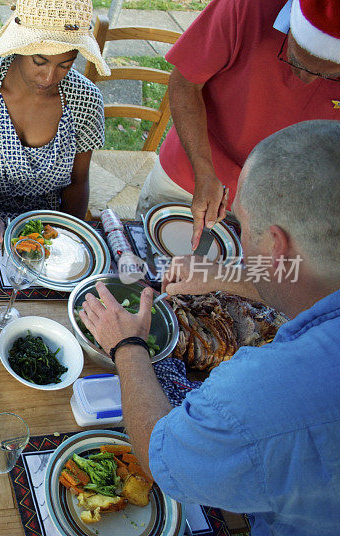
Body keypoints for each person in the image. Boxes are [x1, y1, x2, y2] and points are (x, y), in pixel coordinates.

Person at [80, 120, 340, 535]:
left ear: (274, 243)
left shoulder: (267, 388)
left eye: (244, 227)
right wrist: (223, 275)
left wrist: (128, 344)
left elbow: (162, 457)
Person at [135, 0, 340, 251]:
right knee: (146, 269)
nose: (305, 78)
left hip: (281, 210)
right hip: (190, 178)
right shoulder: (246, 7)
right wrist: (204, 171)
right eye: (297, 60)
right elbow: (185, 83)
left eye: (329, 74)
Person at [0, 0, 107, 244]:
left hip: (44, 229)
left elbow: (77, 183)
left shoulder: (85, 99)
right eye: (40, 61)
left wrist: (67, 238)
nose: (49, 77)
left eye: (65, 65)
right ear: (20, 46)